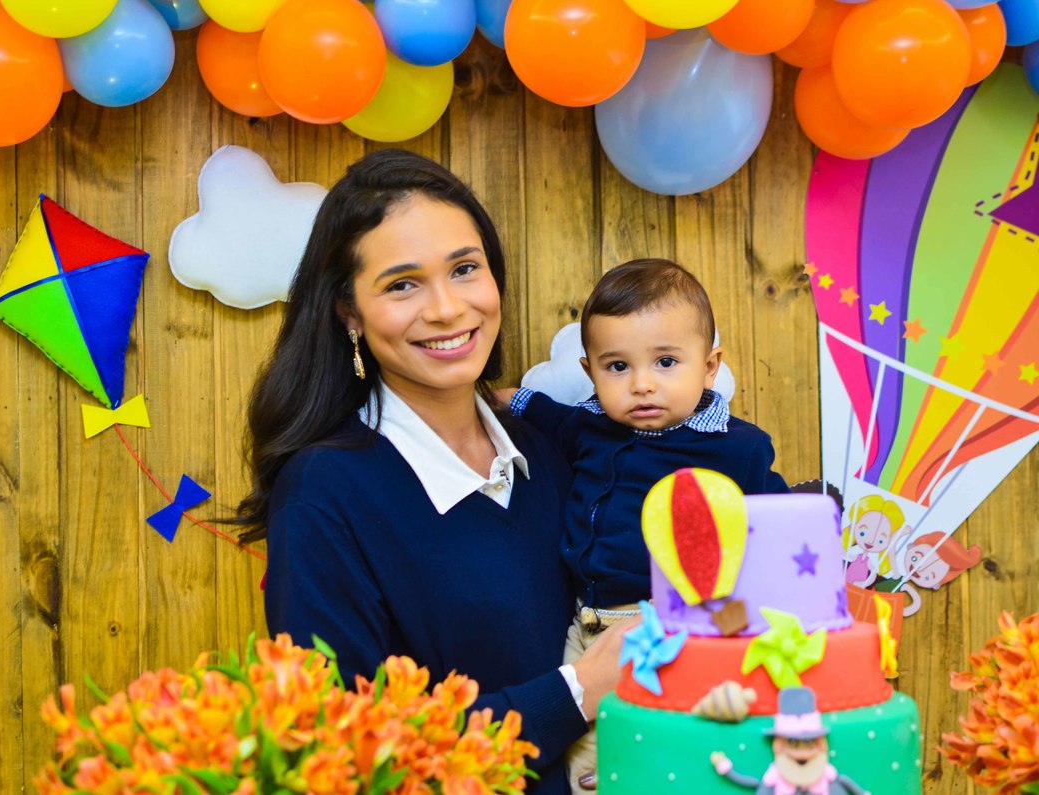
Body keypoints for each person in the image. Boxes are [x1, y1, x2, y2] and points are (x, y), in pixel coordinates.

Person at [236, 148, 635, 795]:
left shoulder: (557, 451)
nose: (448, 308)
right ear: (350, 314)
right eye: (402, 284)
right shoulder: (323, 494)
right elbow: (349, 752)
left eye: (464, 268)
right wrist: (580, 689)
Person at [502, 259, 792, 792]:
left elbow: (774, 529)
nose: (641, 385)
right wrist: (492, 398)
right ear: (591, 371)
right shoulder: (589, 425)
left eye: (665, 362)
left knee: (673, 744)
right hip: (584, 626)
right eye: (617, 367)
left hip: (674, 625)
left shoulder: (735, 448)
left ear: (709, 367)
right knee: (587, 761)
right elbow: (536, 410)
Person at [710, 687, 868, 794]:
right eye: (792, 742)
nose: (801, 750)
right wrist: (726, 768)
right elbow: (752, 784)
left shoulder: (829, 779)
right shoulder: (773, 781)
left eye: (808, 742)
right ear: (778, 746)